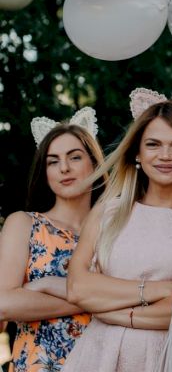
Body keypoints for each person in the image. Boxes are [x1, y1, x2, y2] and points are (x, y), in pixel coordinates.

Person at [62, 88, 172, 371]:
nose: (165, 155)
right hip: (99, 358)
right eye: (153, 144)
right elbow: (78, 288)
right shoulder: (109, 213)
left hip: (169, 359)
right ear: (137, 153)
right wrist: (159, 290)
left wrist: (108, 309)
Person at [0, 108, 105, 372]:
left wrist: (45, 286)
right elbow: (4, 304)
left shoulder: (114, 231)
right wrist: (98, 300)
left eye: (75, 157)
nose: (64, 168)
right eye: (53, 161)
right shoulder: (24, 224)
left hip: (103, 362)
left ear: (94, 162)